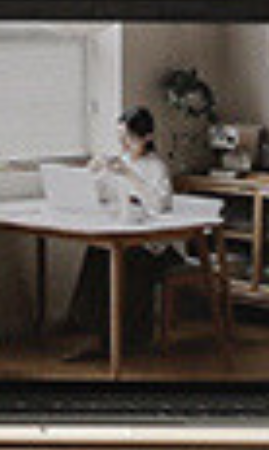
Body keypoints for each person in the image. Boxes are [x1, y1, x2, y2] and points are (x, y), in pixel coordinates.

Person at [64, 107, 181, 359]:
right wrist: (93, 172)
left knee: (127, 260)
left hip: (155, 246)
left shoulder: (156, 167)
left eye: (129, 138)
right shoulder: (122, 161)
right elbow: (102, 196)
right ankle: (90, 328)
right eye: (120, 139)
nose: (124, 145)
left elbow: (161, 205)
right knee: (97, 253)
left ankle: (121, 339)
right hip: (127, 233)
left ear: (147, 137)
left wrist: (130, 175)